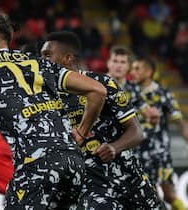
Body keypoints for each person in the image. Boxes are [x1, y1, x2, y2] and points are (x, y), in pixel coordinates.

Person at [0, 11, 106, 210]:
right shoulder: (40, 63)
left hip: (35, 165)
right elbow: (97, 90)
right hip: (73, 162)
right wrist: (81, 133)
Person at [40, 31, 163, 209]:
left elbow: (136, 132)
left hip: (128, 175)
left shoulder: (104, 83)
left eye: (47, 55)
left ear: (67, 58)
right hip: (89, 185)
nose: (41, 60)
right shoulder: (45, 97)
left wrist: (114, 147)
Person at [130, 56, 188, 210]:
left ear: (148, 72)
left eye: (137, 69)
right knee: (150, 197)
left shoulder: (163, 94)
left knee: (169, 195)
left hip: (160, 153)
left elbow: (180, 121)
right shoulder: (129, 93)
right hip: (138, 154)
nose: (132, 72)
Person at [106, 46, 160, 124]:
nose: (118, 66)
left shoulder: (134, 89)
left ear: (128, 66)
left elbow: (145, 109)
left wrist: (152, 116)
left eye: (123, 62)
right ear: (108, 63)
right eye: (115, 61)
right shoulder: (97, 84)